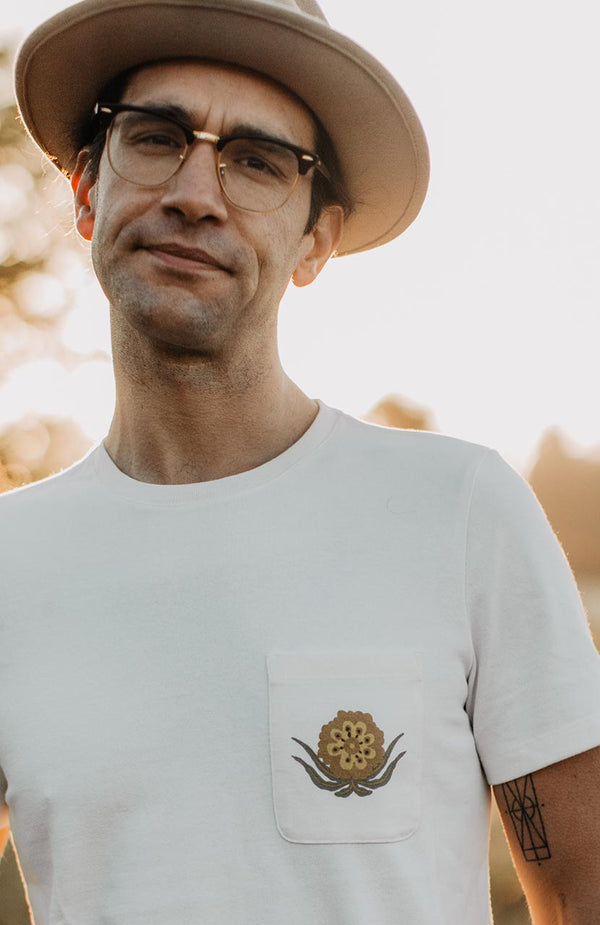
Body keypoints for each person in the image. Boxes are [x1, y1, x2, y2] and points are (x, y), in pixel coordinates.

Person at [1, 0, 600, 922]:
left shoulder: (459, 511)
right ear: (85, 189)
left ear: (316, 240)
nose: (195, 193)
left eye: (256, 161)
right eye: (157, 137)